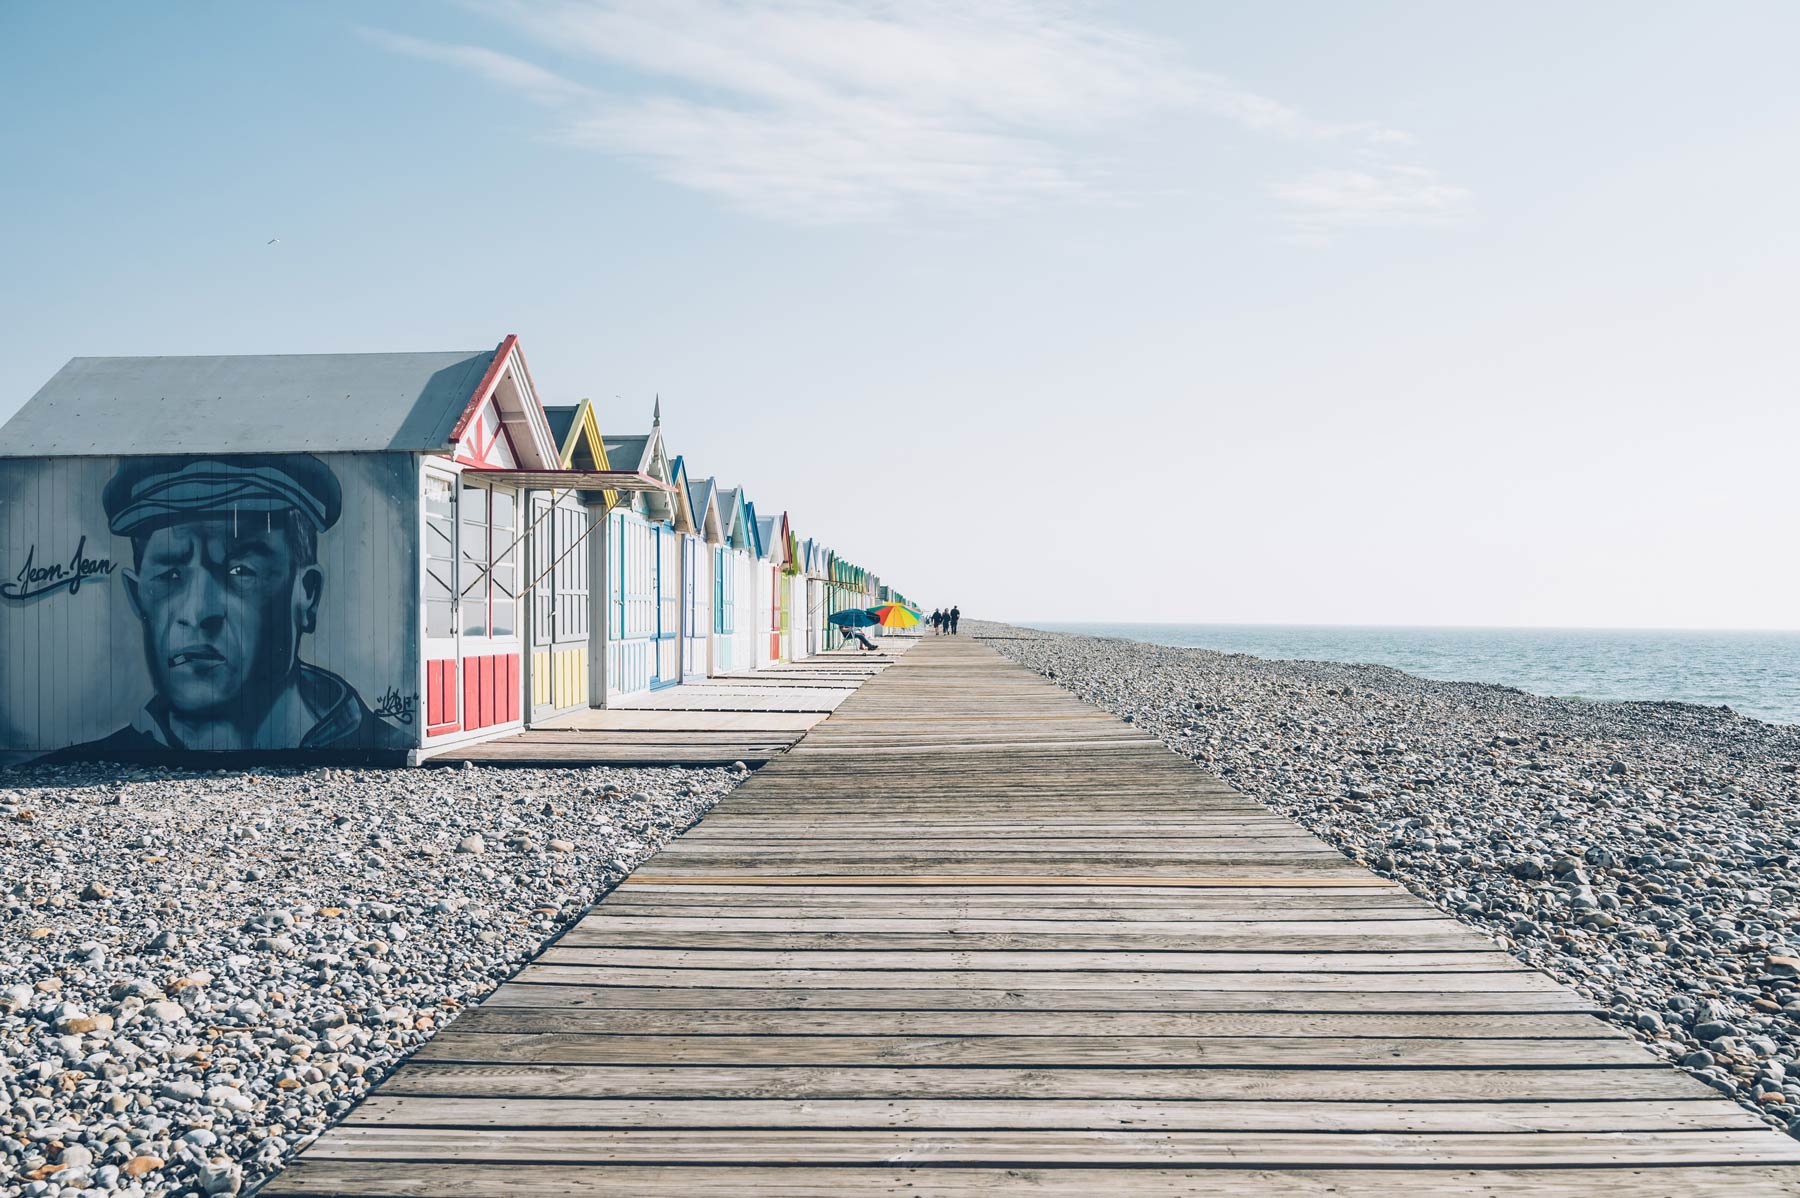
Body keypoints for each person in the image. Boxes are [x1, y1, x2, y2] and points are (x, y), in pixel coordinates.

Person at [56, 454, 410, 756]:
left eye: (240, 570)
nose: (197, 612)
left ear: (307, 593)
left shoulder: (386, 743)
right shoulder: (83, 762)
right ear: (138, 597)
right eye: (170, 576)